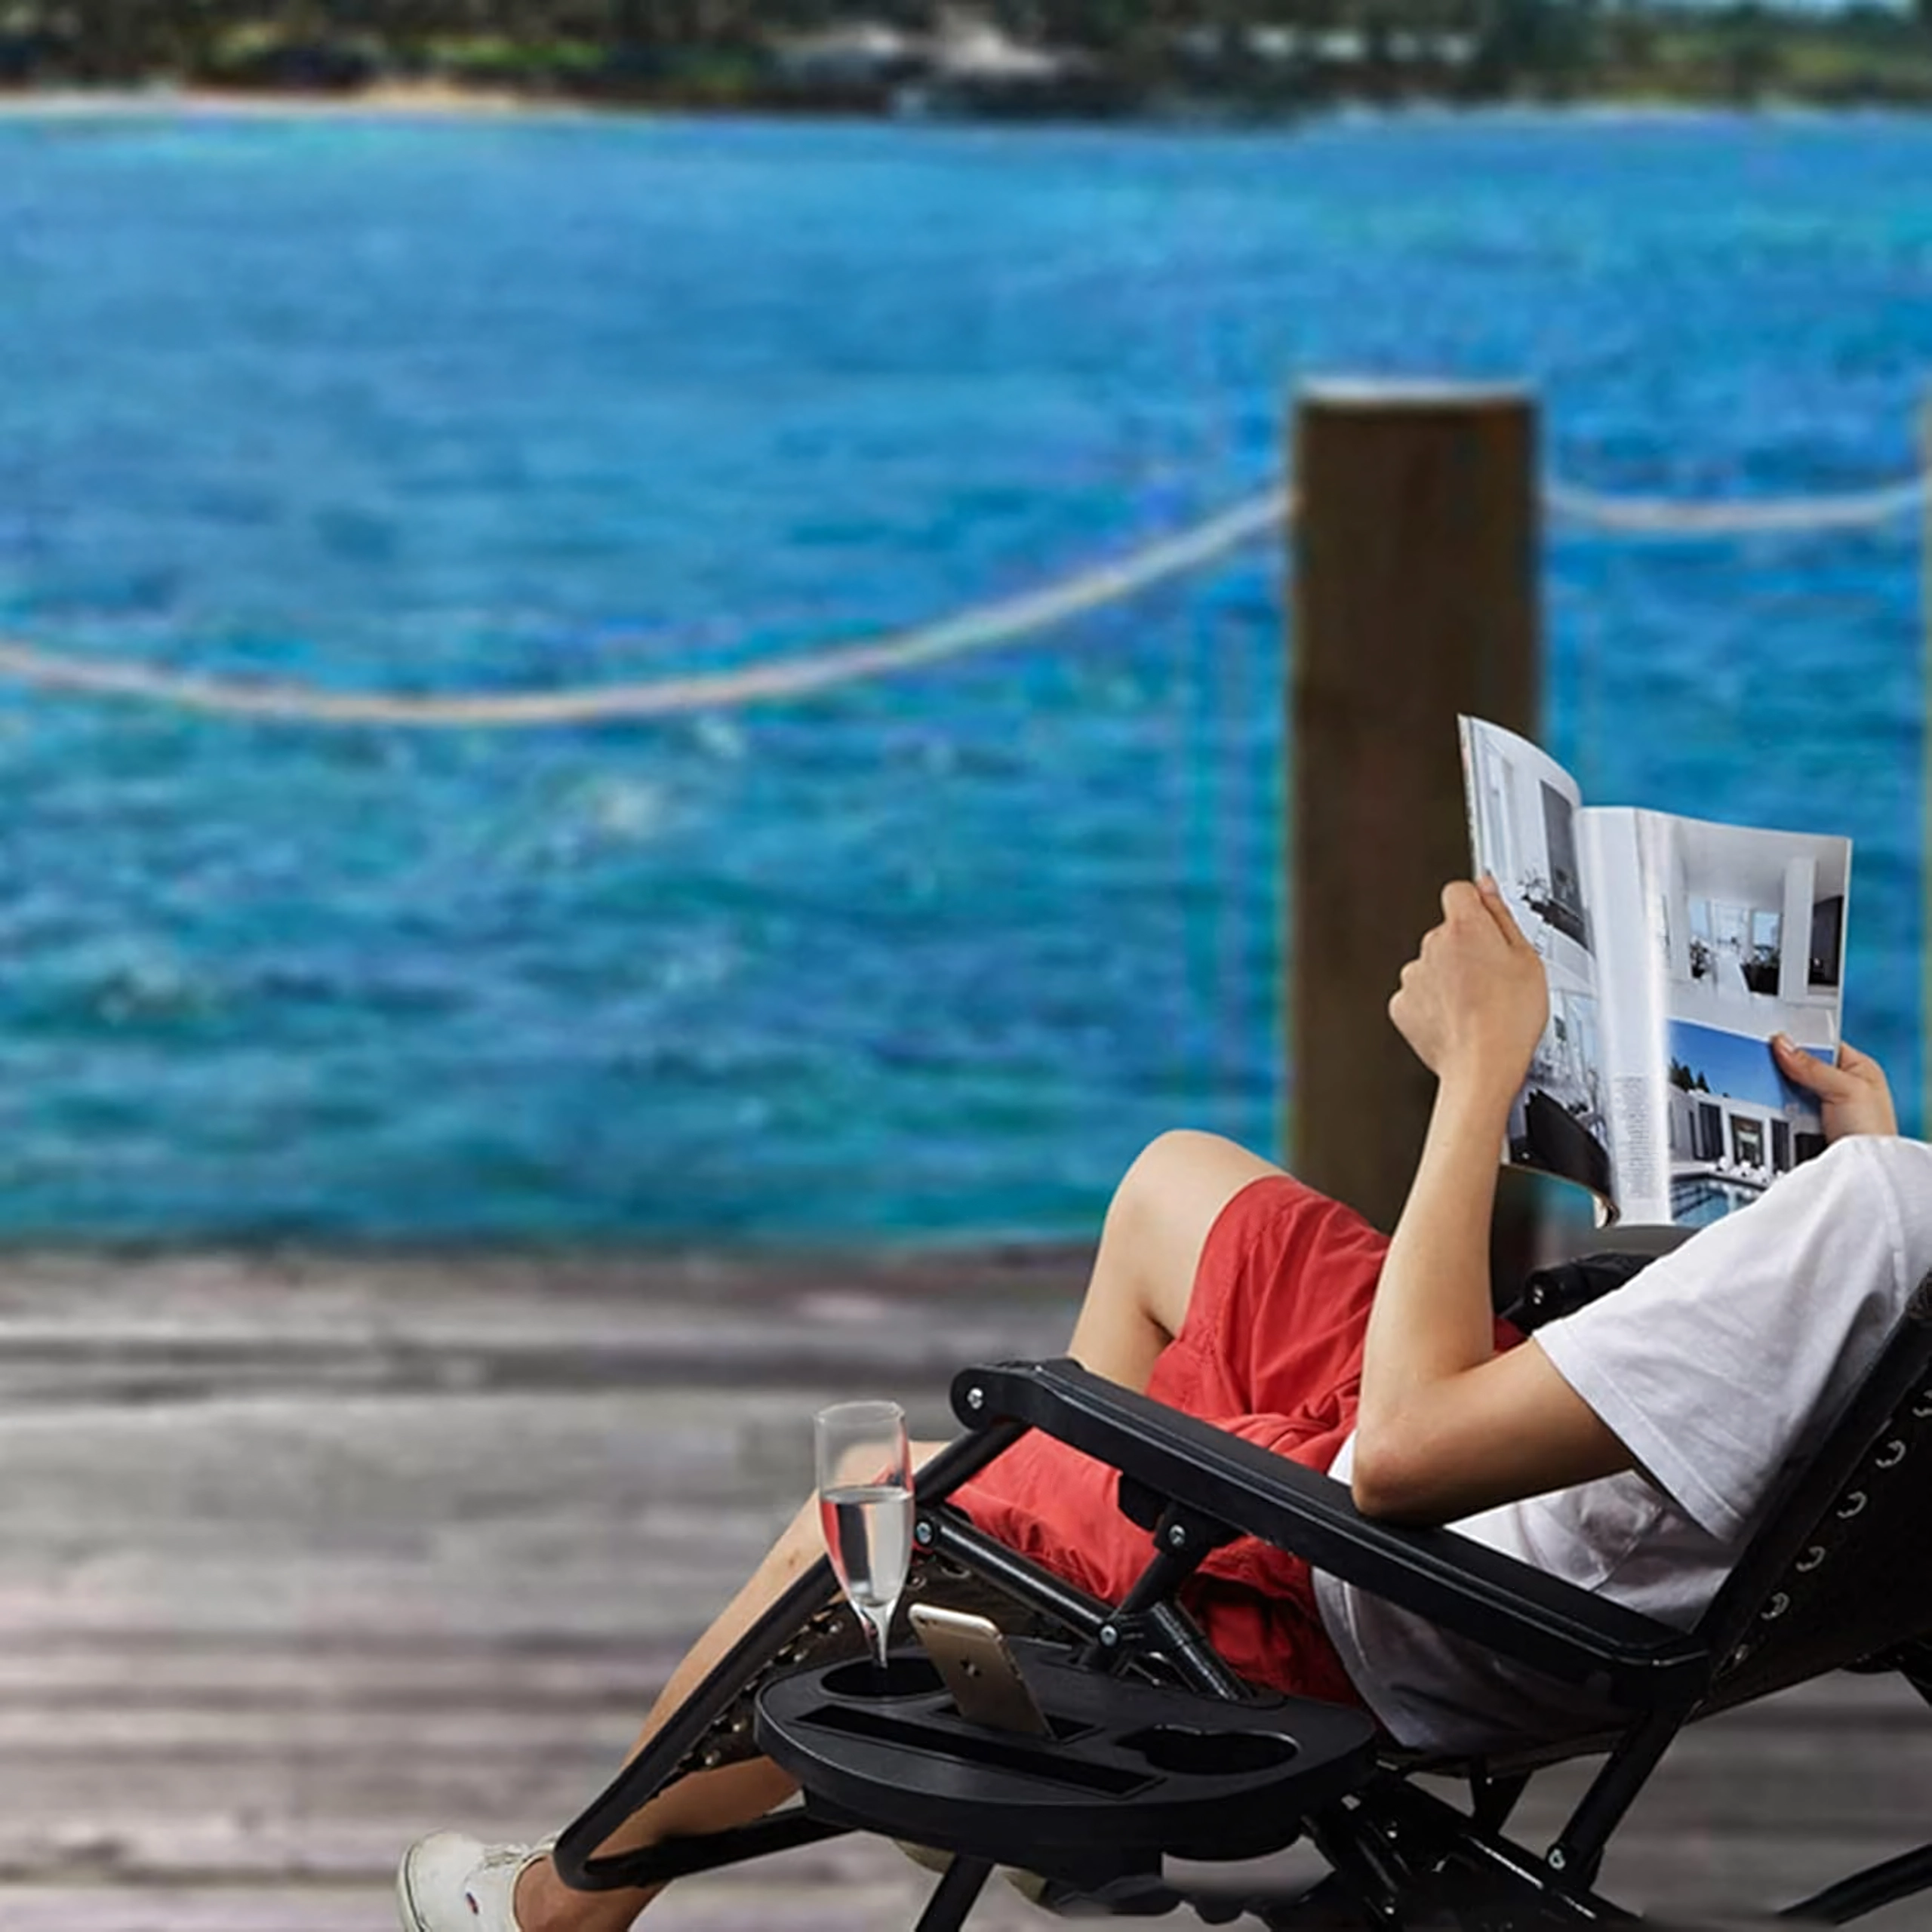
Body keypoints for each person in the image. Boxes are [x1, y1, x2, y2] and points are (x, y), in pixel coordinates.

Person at [397, 877, 1932, 1932]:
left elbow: (1400, 1463)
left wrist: (1479, 1077)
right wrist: (1838, 1171)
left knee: (873, 1504)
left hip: (1402, 1574)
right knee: (1171, 1188)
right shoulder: (1898, 1199)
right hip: (1533, 1485)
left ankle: (564, 1903)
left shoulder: (1885, 1210)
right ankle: (1074, 1709)